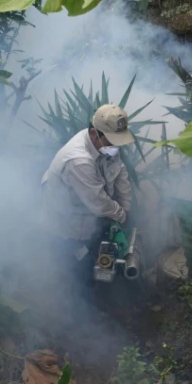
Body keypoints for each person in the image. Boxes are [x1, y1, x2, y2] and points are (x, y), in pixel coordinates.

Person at [40, 103, 134, 294]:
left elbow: (121, 174)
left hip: (88, 216)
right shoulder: (78, 160)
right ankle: (77, 310)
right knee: (74, 273)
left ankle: (94, 291)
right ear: (94, 133)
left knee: (93, 263)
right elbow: (99, 203)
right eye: (111, 141)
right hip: (67, 224)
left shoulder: (106, 143)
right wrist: (122, 216)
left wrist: (126, 206)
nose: (115, 146)